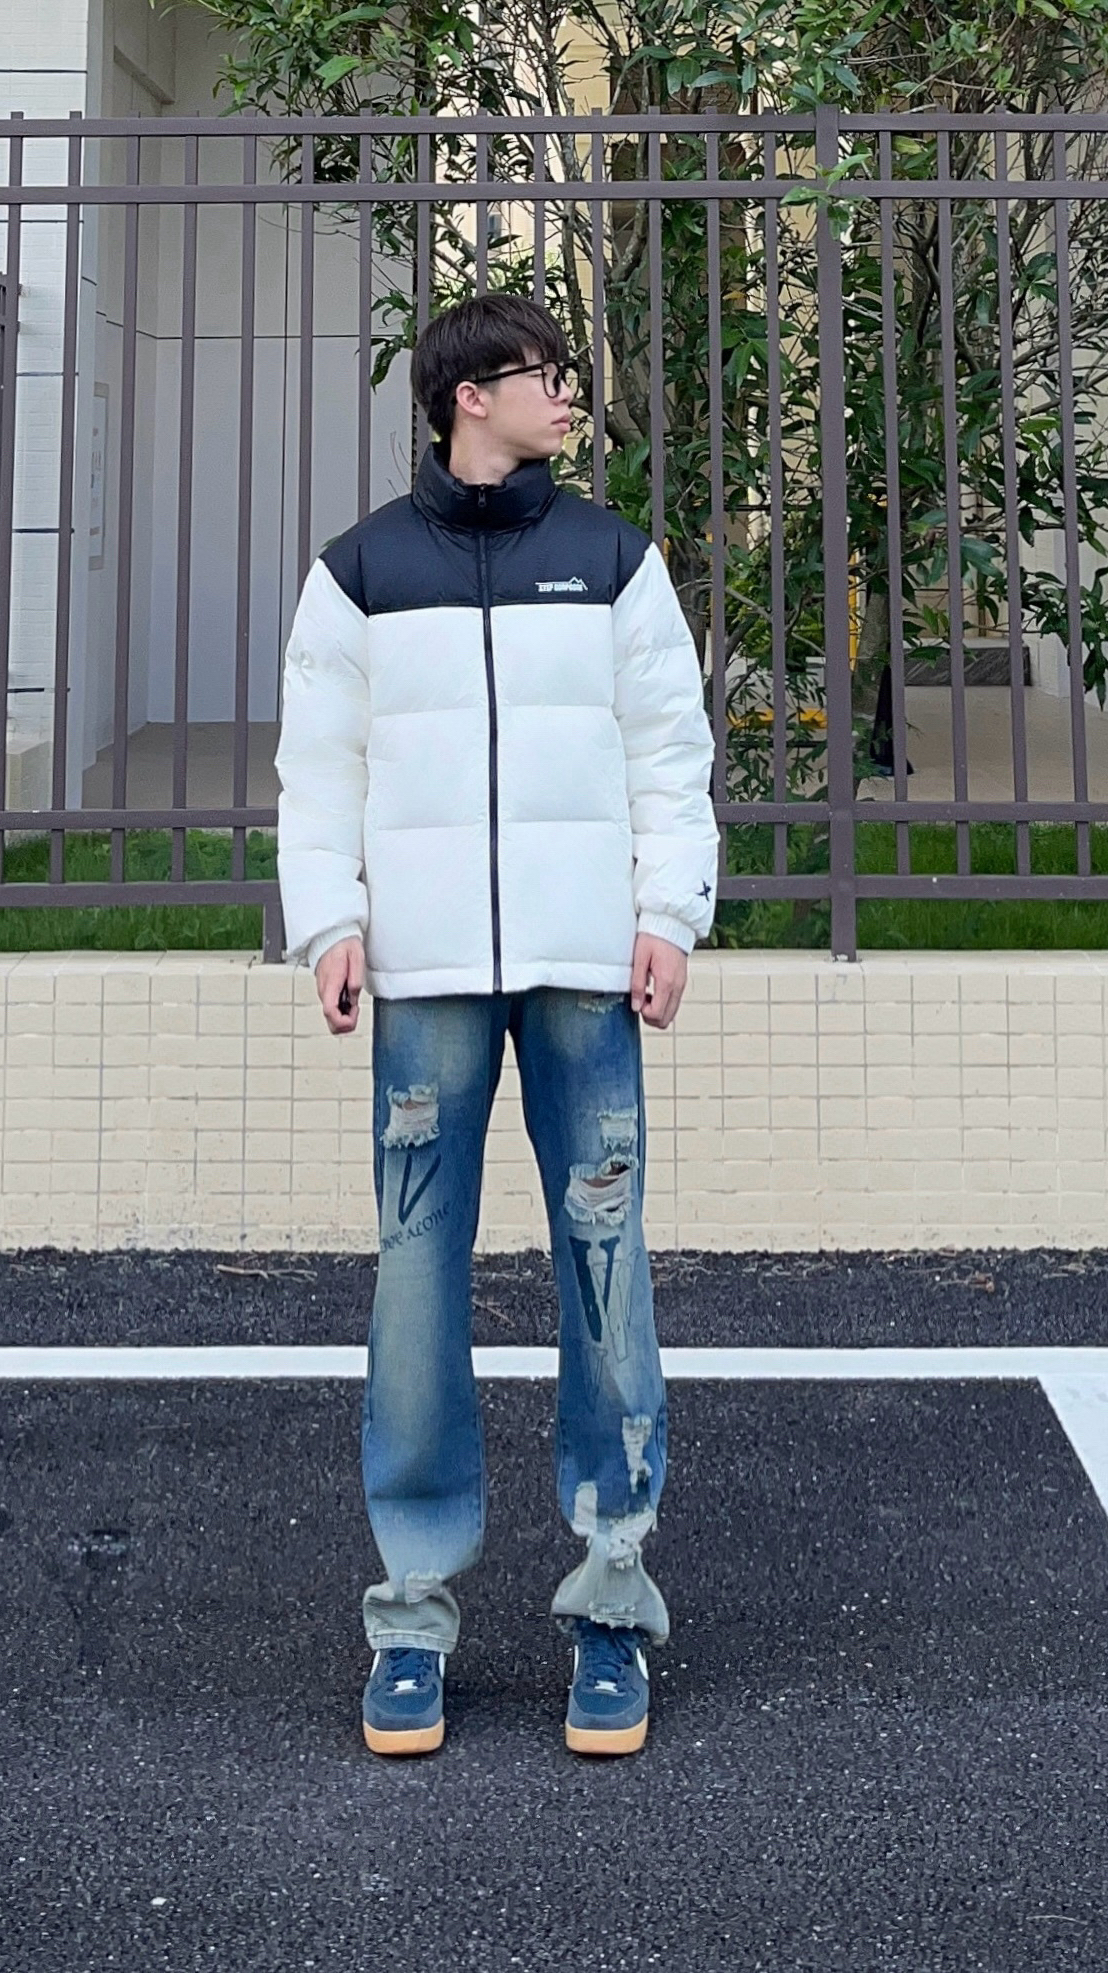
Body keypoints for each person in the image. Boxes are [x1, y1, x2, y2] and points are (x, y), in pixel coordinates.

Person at [273, 292, 718, 1758]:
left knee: (605, 1265)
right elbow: (319, 771)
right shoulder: (360, 574)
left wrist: (670, 913)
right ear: (471, 396)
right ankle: (409, 1617)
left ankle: (612, 1602)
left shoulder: (613, 561)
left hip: (589, 970)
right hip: (428, 980)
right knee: (417, 1280)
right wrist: (333, 923)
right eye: (546, 374)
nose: (569, 394)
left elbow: (670, 753)